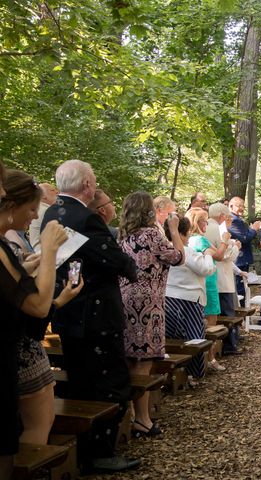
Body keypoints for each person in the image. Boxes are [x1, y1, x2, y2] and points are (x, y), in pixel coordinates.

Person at [41, 159, 140, 473]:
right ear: (87, 185)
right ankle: (100, 451)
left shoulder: (51, 213)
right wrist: (129, 266)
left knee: (80, 378)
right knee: (110, 381)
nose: (95, 185)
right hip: (95, 313)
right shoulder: (85, 218)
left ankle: (86, 446)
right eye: (94, 180)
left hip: (69, 310)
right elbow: (112, 259)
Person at [1, 170, 84, 447]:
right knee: (36, 424)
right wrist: (49, 252)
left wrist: (26, 268)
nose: (35, 216)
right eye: (32, 209)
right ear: (11, 205)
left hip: (19, 347)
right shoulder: (5, 246)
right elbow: (36, 305)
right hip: (19, 350)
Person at [118, 191, 184, 438]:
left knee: (129, 359)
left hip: (125, 300)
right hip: (148, 304)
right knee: (143, 362)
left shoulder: (122, 236)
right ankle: (142, 420)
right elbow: (178, 257)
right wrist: (174, 230)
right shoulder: (151, 235)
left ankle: (133, 416)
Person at [165, 216, 217, 379]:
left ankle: (173, 372)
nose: (188, 238)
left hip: (168, 298)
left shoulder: (164, 247)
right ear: (181, 234)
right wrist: (208, 254)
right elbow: (206, 269)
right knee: (193, 337)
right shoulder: (185, 251)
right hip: (188, 300)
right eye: (187, 234)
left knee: (171, 335)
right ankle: (193, 373)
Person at [186, 207, 226, 370]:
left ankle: (205, 359)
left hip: (201, 281)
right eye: (204, 221)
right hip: (207, 282)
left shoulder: (191, 239)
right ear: (196, 222)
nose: (207, 224)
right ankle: (210, 358)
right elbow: (219, 256)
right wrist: (225, 240)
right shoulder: (199, 240)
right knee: (211, 321)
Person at [206, 203, 244, 354]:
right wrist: (236, 247)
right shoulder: (217, 229)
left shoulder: (207, 227)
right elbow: (227, 255)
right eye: (227, 215)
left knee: (215, 314)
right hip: (221, 276)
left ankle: (222, 347)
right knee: (227, 312)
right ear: (222, 215)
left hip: (211, 276)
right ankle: (229, 345)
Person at [228, 196, 261, 300]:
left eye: (243, 206)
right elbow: (245, 238)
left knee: (243, 287)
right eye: (239, 206)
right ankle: (241, 312)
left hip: (242, 259)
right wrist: (254, 229)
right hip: (239, 260)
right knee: (240, 289)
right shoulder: (234, 220)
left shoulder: (238, 219)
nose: (242, 208)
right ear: (231, 206)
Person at [28, 182, 58, 252]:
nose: (57, 192)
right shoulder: (46, 210)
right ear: (43, 195)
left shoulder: (39, 208)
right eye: (52, 190)